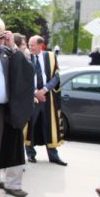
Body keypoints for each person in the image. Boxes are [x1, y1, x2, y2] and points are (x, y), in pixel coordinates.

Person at [0, 17, 34, 197]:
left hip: (7, 110)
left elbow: (27, 72)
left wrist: (13, 47)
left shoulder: (7, 54)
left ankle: (4, 187)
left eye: (0, 37)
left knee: (5, 151)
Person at [25, 35, 66, 166]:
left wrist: (45, 89)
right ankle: (31, 155)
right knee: (31, 126)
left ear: (40, 45)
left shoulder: (51, 57)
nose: (30, 47)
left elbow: (56, 76)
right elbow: (23, 78)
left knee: (49, 126)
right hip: (32, 98)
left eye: (32, 45)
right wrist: (35, 93)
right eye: (29, 44)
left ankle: (53, 156)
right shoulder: (26, 57)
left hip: (48, 98)